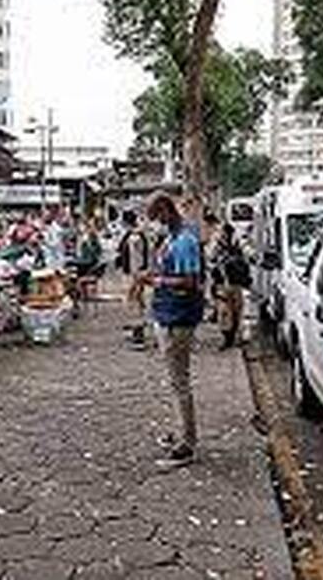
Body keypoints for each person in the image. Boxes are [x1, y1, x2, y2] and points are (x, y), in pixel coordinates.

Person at [144, 193, 205, 469]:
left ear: (166, 212)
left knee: (180, 381)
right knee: (174, 380)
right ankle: (179, 430)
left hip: (178, 318)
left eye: (156, 218)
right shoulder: (171, 238)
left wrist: (157, 281)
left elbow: (191, 282)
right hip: (167, 315)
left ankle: (187, 443)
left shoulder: (185, 241)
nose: (155, 224)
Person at [212, 223, 251, 350]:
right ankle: (227, 338)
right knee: (225, 313)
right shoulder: (217, 247)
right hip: (223, 284)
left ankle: (232, 337)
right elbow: (212, 262)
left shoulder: (237, 246)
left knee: (236, 312)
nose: (224, 236)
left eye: (226, 233)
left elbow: (246, 260)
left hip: (235, 284)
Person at [117, 210, 150, 346]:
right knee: (136, 303)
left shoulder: (135, 237)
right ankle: (137, 333)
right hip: (134, 274)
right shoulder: (134, 235)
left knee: (135, 303)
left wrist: (137, 279)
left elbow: (137, 259)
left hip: (134, 274)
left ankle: (138, 336)